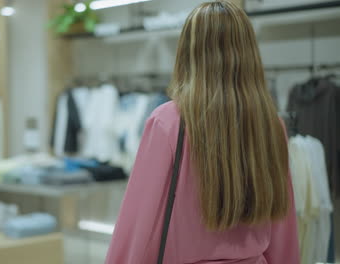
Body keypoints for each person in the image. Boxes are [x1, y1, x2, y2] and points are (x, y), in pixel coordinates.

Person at [105, 1, 300, 264]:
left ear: (188, 51)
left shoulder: (168, 122)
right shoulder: (271, 125)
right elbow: (283, 226)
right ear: (249, 52)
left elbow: (138, 223)